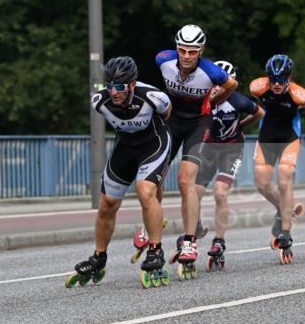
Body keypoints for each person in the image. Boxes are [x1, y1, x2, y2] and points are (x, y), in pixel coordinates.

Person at [66, 56, 172, 288]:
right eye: (109, 86)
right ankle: (99, 257)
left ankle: (155, 251)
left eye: (120, 87)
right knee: (107, 204)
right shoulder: (98, 101)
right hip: (125, 147)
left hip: (154, 143)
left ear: (132, 84)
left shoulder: (153, 97)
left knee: (145, 191)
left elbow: (166, 115)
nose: (114, 92)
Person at [153, 24, 238, 277]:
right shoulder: (163, 60)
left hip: (199, 124)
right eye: (183, 50)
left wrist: (214, 101)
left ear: (201, 50)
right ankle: (152, 224)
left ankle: (189, 241)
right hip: (173, 120)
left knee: (184, 180)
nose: (187, 56)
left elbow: (233, 84)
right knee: (154, 174)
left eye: (193, 51)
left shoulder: (211, 71)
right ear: (176, 48)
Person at [193, 60, 263, 270]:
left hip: (231, 150)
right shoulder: (201, 99)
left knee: (219, 193)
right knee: (193, 192)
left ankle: (219, 241)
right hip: (209, 150)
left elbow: (260, 113)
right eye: (214, 83)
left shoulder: (238, 101)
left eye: (221, 84)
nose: (216, 88)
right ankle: (194, 228)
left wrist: (240, 126)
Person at [250, 54, 305, 263]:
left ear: (289, 77)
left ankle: (286, 232)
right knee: (261, 184)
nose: (276, 84)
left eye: (282, 79)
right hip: (266, 137)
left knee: (284, 178)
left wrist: (294, 113)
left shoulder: (300, 95)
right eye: (273, 78)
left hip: (289, 137)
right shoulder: (258, 87)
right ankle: (283, 209)